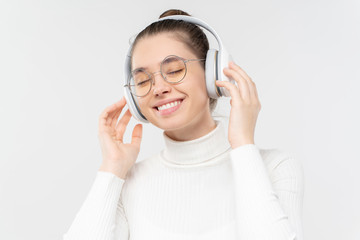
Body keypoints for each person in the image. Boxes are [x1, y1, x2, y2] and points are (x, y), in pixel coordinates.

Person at [63, 9, 304, 240]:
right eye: (143, 80)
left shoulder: (274, 168)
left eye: (175, 70)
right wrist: (112, 168)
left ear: (213, 74)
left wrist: (242, 144)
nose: (159, 88)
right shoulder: (128, 185)